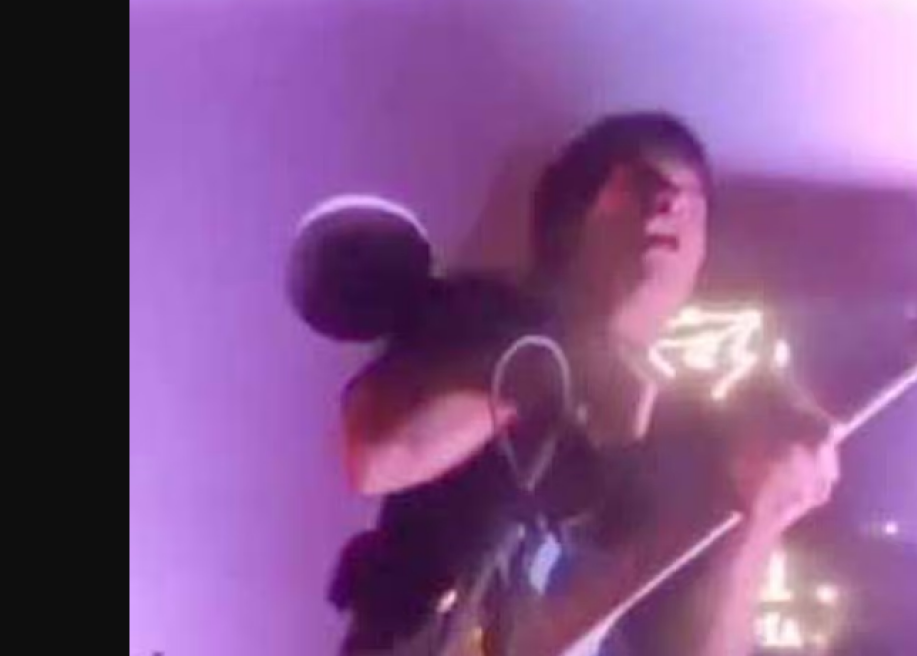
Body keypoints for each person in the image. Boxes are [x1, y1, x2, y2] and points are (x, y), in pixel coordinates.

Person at [328, 111, 846, 656]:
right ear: (571, 220)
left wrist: (761, 522)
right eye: (639, 185)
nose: (668, 203)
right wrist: (559, 370)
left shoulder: (695, 445)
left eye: (690, 198)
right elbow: (376, 455)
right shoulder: (478, 320)